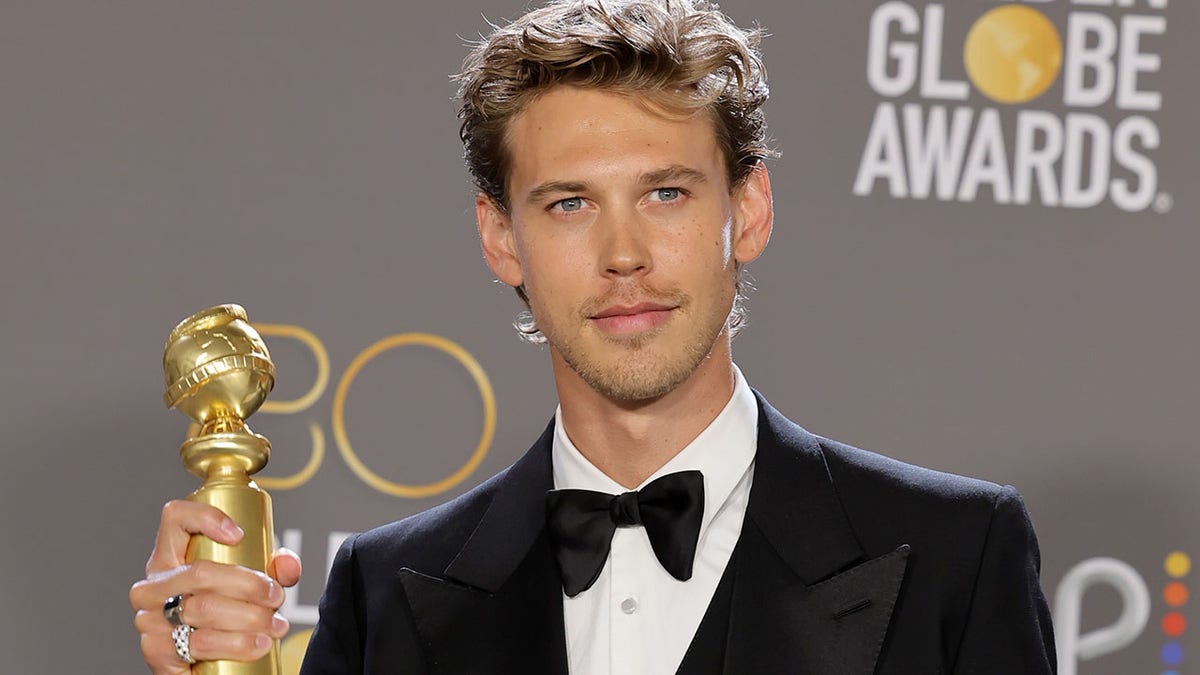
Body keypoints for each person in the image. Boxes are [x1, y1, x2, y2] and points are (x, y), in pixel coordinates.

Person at [130, 1, 1057, 673]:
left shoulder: (953, 554)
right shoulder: (385, 593)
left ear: (750, 207)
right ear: (502, 237)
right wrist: (199, 669)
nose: (624, 255)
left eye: (666, 194)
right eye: (570, 203)